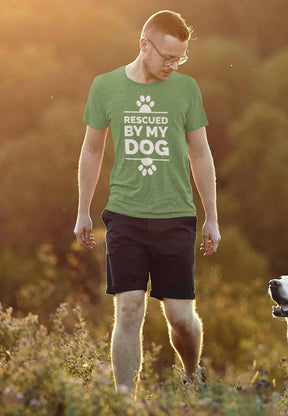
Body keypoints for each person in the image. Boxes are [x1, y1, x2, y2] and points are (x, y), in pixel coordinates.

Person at [73, 10, 220, 393]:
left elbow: (201, 155)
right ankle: (125, 399)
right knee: (129, 309)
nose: (173, 66)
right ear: (144, 45)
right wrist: (83, 211)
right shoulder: (105, 86)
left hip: (176, 217)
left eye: (180, 59)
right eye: (167, 57)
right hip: (125, 215)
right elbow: (91, 150)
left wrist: (211, 218)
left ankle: (191, 376)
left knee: (180, 318)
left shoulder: (187, 89)